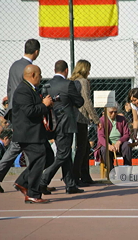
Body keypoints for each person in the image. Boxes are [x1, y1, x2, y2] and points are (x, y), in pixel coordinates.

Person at [0, 39, 54, 194]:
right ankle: (29, 182)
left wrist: (11, 109)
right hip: (27, 114)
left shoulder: (14, 65)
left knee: (20, 145)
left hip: (15, 111)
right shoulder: (30, 69)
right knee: (32, 147)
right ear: (36, 51)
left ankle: (5, 176)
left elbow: (9, 88)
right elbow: (29, 93)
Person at [40, 60, 85, 194]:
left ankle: (70, 185)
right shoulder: (68, 84)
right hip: (66, 124)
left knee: (64, 154)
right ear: (66, 70)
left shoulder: (47, 84)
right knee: (63, 154)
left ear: (55, 70)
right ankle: (43, 180)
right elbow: (79, 102)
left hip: (53, 124)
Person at [12, 64, 54, 204]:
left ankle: (22, 182)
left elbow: (36, 107)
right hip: (28, 134)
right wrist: (44, 105)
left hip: (36, 133)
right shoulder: (22, 90)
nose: (41, 78)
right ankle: (33, 193)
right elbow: (29, 111)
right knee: (39, 159)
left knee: (49, 158)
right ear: (33, 75)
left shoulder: (31, 89)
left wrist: (46, 104)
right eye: (40, 75)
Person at [69, 59, 100, 186]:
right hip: (81, 118)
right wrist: (96, 119)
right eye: (88, 69)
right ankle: (77, 177)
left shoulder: (72, 81)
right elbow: (87, 101)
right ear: (85, 69)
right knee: (82, 148)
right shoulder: (84, 82)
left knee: (84, 147)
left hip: (72, 117)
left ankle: (85, 175)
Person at [97, 104, 132, 172]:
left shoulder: (122, 119)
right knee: (104, 149)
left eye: (115, 112)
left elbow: (127, 134)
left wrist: (119, 142)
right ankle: (111, 171)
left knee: (127, 145)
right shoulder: (102, 120)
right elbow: (100, 136)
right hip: (108, 144)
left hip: (120, 143)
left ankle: (127, 170)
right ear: (106, 111)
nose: (113, 114)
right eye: (111, 112)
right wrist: (108, 145)